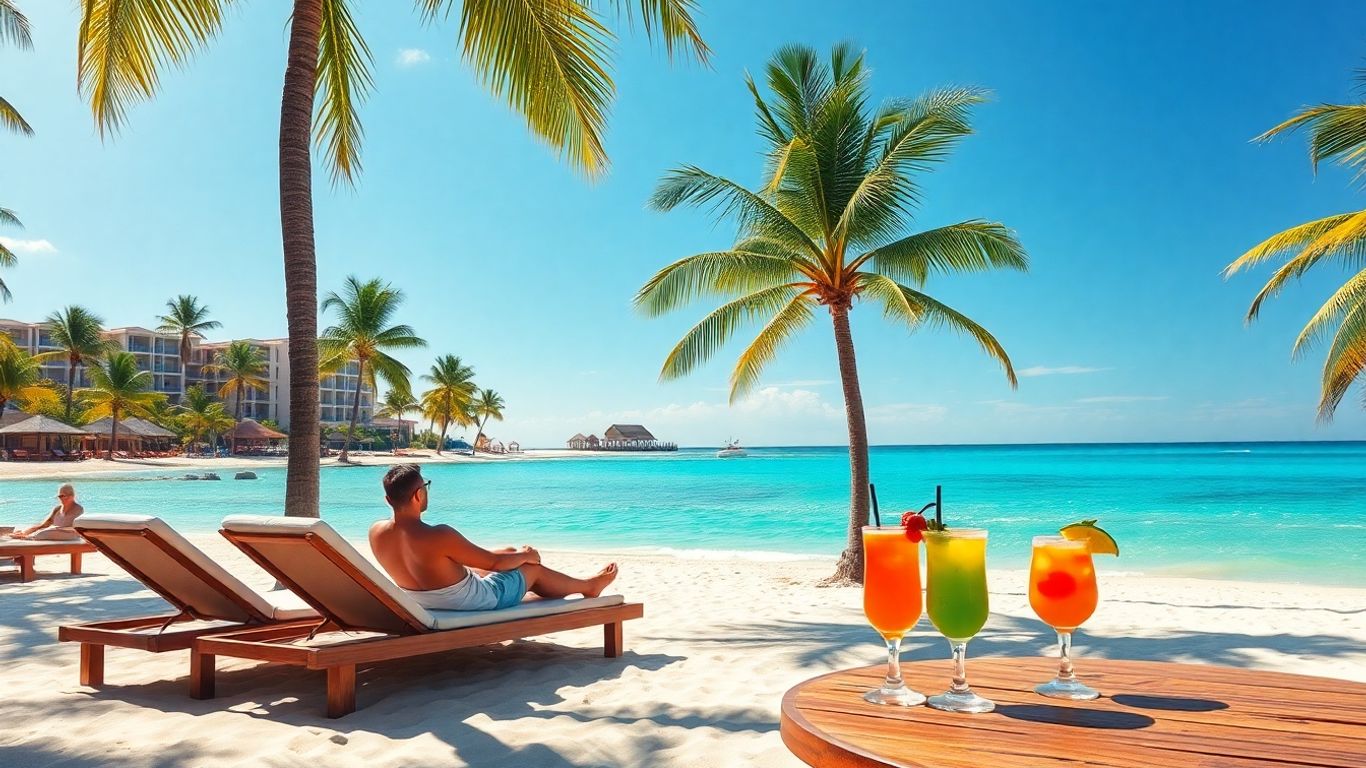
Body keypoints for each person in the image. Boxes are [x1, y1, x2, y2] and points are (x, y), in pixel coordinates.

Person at [370, 464, 617, 611]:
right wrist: (529, 555)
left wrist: (515, 555)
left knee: (508, 550)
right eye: (426, 487)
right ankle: (588, 587)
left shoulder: (377, 533)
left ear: (387, 500)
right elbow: (494, 564)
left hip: (420, 600)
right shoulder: (439, 535)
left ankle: (538, 573)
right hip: (470, 601)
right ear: (417, 496)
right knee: (532, 569)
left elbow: (490, 560)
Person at [13, 483, 84, 540]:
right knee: (28, 535)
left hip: (70, 537)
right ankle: (25, 536)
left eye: (63, 496)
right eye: (59, 496)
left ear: (72, 496)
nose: (61, 498)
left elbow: (78, 529)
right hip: (53, 535)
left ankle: (29, 537)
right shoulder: (57, 509)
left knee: (43, 533)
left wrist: (55, 528)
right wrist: (25, 532)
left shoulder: (78, 509)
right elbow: (43, 525)